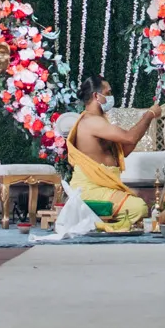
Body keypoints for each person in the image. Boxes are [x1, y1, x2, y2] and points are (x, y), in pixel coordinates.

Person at [65, 76, 158, 233]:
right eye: (107, 93)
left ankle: (103, 222)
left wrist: (143, 124)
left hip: (103, 185)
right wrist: (149, 114)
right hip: (90, 187)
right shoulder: (92, 122)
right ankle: (99, 225)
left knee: (137, 202)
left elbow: (125, 150)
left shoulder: (100, 120)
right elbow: (130, 137)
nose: (110, 96)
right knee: (139, 207)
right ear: (96, 96)